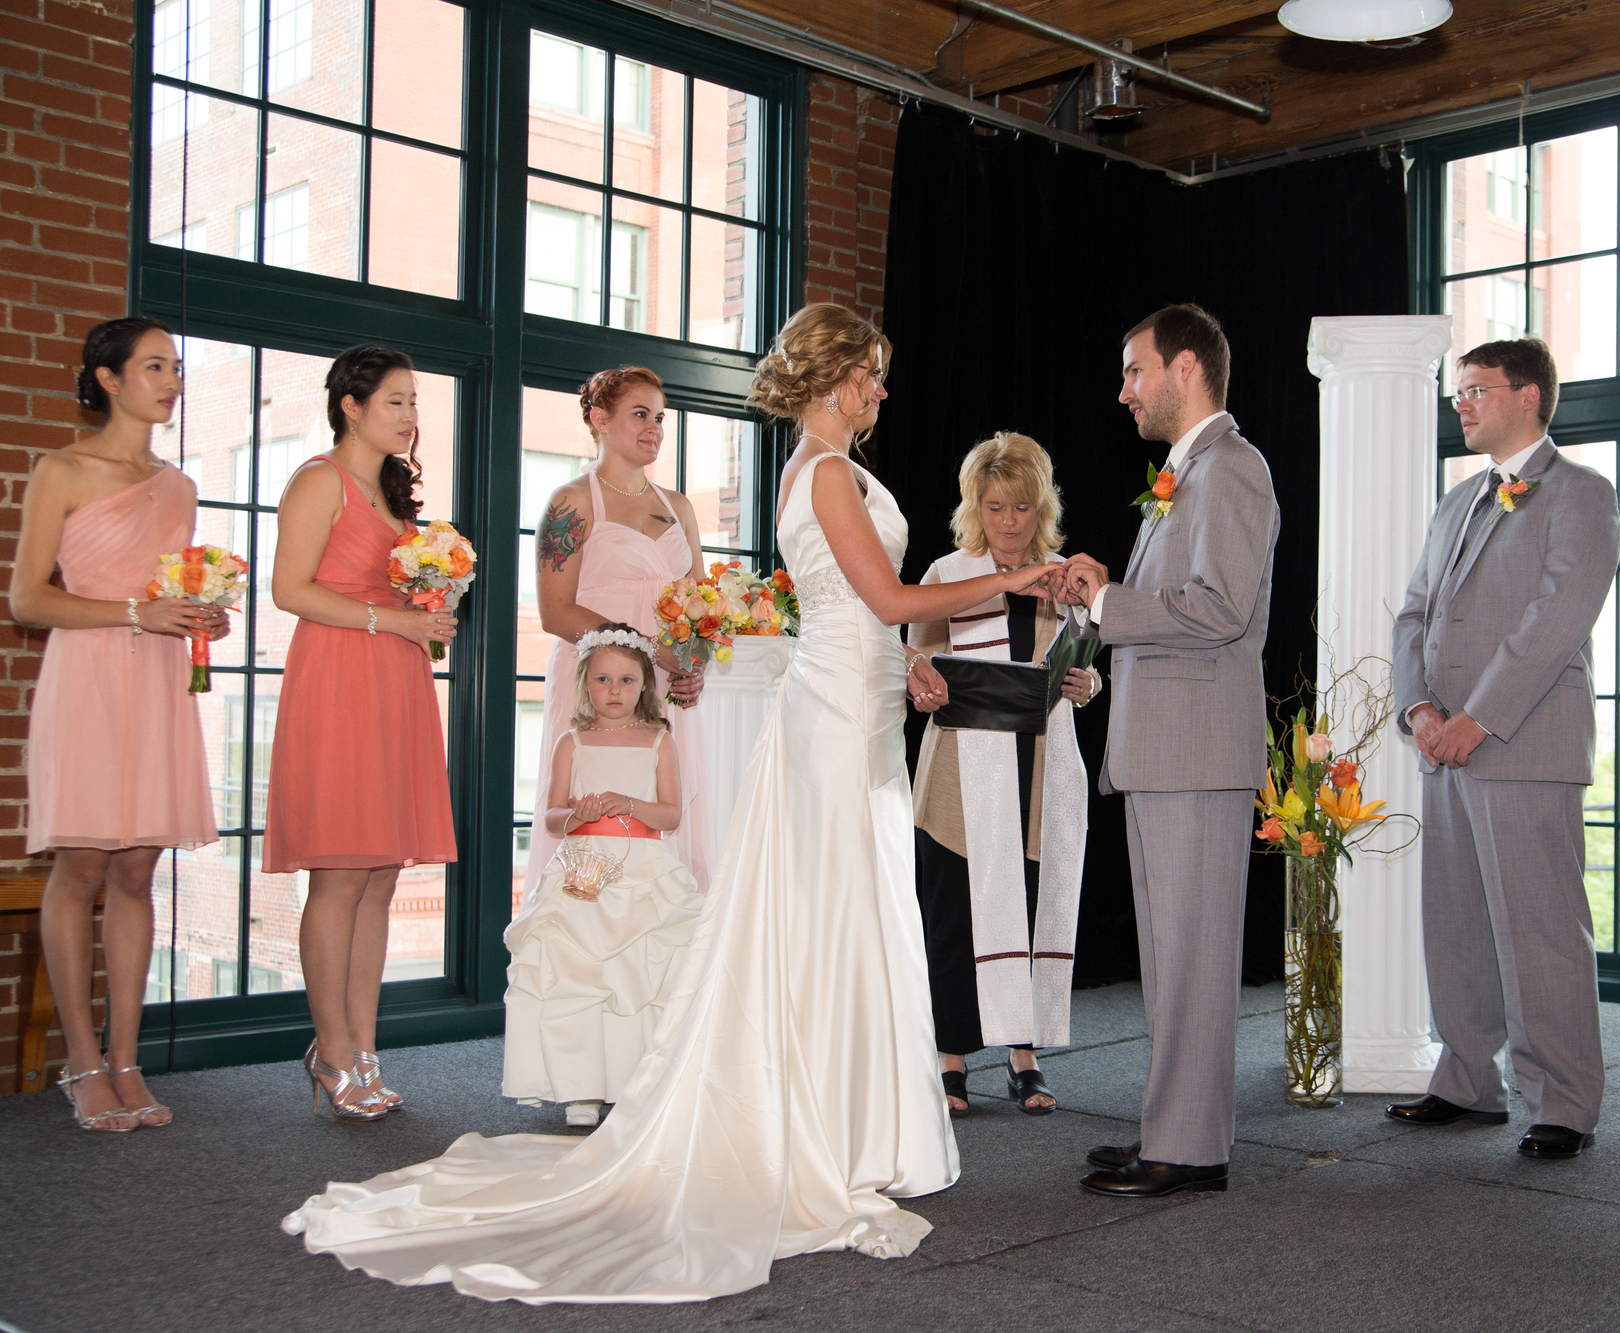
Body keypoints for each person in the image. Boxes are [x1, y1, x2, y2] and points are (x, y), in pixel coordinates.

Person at [281, 302, 1057, 1303]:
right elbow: (890, 598)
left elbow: (864, 610)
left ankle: (849, 1121)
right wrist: (1023, 577)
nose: (879, 388)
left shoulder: (834, 470)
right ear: (833, 379)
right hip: (820, 719)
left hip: (859, 707)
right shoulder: (817, 473)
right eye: (869, 372)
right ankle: (807, 1125)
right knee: (823, 918)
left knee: (855, 917)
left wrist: (903, 662)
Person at [1057, 304, 1280, 1198]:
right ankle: (1172, 1127)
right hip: (1165, 751)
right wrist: (1102, 593)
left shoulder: (1232, 467)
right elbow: (1179, 604)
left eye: (1133, 370)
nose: (1124, 391)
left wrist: (1108, 604)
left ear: (1185, 367)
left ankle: (1190, 1149)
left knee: (1193, 960)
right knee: (1172, 958)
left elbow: (1219, 610)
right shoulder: (1186, 473)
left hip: (1195, 753)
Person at [1386, 337, 1618, 1160]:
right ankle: (1467, 1079)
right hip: (1443, 745)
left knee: (1541, 931)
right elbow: (1413, 612)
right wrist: (1418, 707)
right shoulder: (1457, 501)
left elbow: (1558, 617)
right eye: (1459, 392)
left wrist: (1476, 718)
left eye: (1477, 390)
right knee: (1456, 925)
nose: (1463, 404)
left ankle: (1564, 1100)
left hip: (1524, 745)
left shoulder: (1582, 494)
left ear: (1528, 396)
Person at [12, 316, 227, 1131]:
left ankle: (127, 1059)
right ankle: (81, 1061)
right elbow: (27, 599)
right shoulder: (62, 469)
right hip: (88, 680)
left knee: (137, 870)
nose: (171, 381)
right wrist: (138, 611)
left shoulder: (180, 485)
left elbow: (168, 586)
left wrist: (200, 614)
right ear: (107, 377)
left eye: (176, 367)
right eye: (154, 366)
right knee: (81, 868)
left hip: (160, 681)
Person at [264, 345, 458, 1121]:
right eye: (395, 401)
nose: (410, 415)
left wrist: (430, 608)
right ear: (351, 404)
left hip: (396, 681)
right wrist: (393, 619)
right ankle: (332, 1049)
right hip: (340, 678)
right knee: (341, 873)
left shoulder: (394, 494)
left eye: (414, 401)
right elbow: (288, 589)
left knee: (381, 876)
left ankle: (366, 1046)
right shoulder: (319, 480)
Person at [909, 432, 1100, 1117]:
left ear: (1041, 506)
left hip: (1038, 770)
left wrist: (1088, 684)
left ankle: (1025, 1057)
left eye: (1021, 506)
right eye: (995, 507)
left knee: (1029, 907)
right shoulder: (946, 574)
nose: (1010, 521)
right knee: (953, 914)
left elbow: (1084, 660)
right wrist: (921, 683)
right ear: (975, 507)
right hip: (961, 773)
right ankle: (950, 1059)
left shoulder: (1064, 579)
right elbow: (916, 659)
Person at [502, 622, 703, 1128]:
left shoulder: (658, 740)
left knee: (639, 976)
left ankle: (640, 1083)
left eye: (626, 680)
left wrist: (630, 804)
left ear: (645, 685)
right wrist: (577, 815)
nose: (614, 691)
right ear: (585, 684)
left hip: (643, 871)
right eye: (603, 680)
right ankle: (581, 1088)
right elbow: (551, 818)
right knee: (579, 978)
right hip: (582, 873)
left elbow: (671, 815)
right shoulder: (572, 741)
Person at [528, 367, 713, 893]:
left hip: (668, 688)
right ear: (600, 419)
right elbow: (555, 612)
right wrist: (649, 651)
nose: (655, 428)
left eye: (660, 417)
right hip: (597, 681)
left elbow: (702, 607)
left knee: (667, 807)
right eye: (640, 414)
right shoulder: (570, 503)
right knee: (591, 807)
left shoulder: (679, 507)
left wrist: (694, 665)